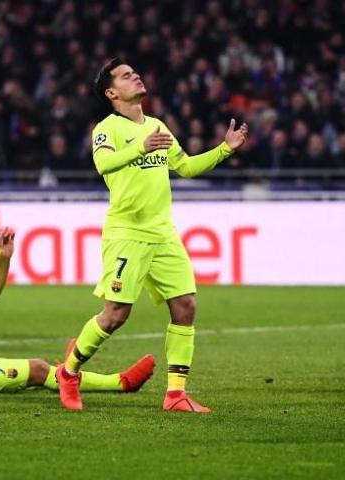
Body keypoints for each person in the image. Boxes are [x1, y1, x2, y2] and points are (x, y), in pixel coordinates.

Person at [55, 58, 248, 412]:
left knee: (186, 305)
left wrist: (224, 150)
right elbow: (103, 164)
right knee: (115, 315)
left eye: (135, 72)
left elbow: (185, 166)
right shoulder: (107, 128)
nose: (136, 76)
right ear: (112, 92)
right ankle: (68, 373)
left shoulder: (157, 125)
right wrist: (139, 148)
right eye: (126, 76)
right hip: (127, 233)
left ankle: (175, 394)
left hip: (163, 234)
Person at [0, 218, 155, 396]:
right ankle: (121, 383)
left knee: (43, 370)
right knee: (39, 369)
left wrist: (3, 257)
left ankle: (116, 380)